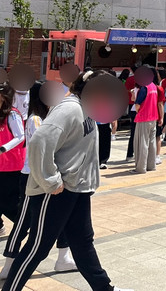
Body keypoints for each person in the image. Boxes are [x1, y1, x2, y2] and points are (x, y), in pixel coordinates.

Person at [1, 70, 133, 291]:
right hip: (56, 191)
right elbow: (40, 141)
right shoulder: (70, 108)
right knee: (37, 248)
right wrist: (52, 181)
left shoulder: (87, 109)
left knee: (82, 242)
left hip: (77, 188)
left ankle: (105, 288)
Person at [2, 83, 76, 279]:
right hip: (34, 176)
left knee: (61, 217)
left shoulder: (50, 117)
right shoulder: (36, 119)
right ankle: (9, 264)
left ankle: (64, 257)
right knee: (23, 222)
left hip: (51, 175)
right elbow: (43, 150)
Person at [0, 83, 25, 246]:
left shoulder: (12, 114)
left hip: (11, 165)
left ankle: (24, 224)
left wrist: (3, 148)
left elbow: (20, 136)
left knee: (9, 200)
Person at [131, 65, 164, 174]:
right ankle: (151, 165)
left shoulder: (144, 87)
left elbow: (137, 105)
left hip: (143, 118)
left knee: (142, 143)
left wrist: (138, 110)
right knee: (151, 142)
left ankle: (140, 168)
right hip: (153, 117)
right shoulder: (154, 86)